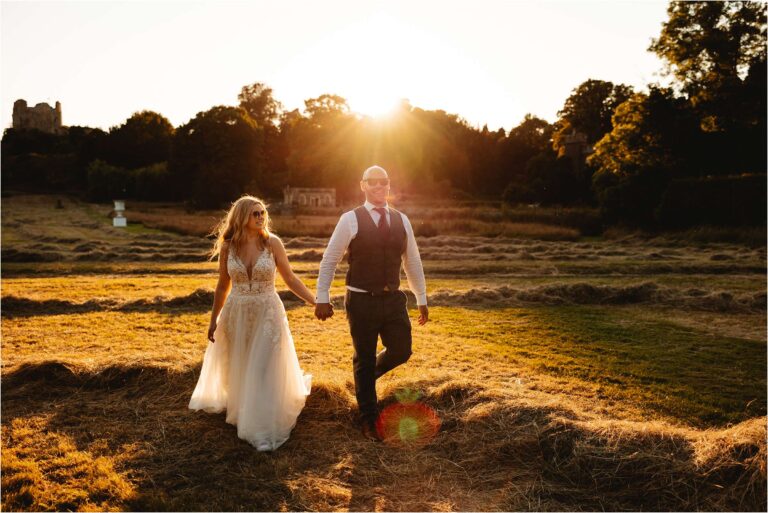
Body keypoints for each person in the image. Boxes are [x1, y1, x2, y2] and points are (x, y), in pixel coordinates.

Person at [189, 195, 314, 451]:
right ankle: (243, 410)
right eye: (255, 213)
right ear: (242, 216)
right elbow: (223, 286)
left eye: (262, 213)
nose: (260, 217)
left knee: (262, 367)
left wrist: (316, 301)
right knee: (242, 364)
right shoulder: (228, 247)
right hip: (236, 312)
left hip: (267, 313)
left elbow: (290, 278)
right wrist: (213, 320)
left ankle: (260, 424)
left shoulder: (273, 244)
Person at [315, 165, 429, 441]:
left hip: (393, 299)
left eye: (384, 182)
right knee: (363, 356)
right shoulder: (350, 219)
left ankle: (363, 381)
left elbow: (411, 261)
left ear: (389, 186)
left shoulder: (402, 220)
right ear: (363, 185)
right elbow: (330, 259)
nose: (379, 187)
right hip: (361, 300)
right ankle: (368, 416)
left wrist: (421, 298)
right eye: (373, 182)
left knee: (402, 350)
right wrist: (322, 297)